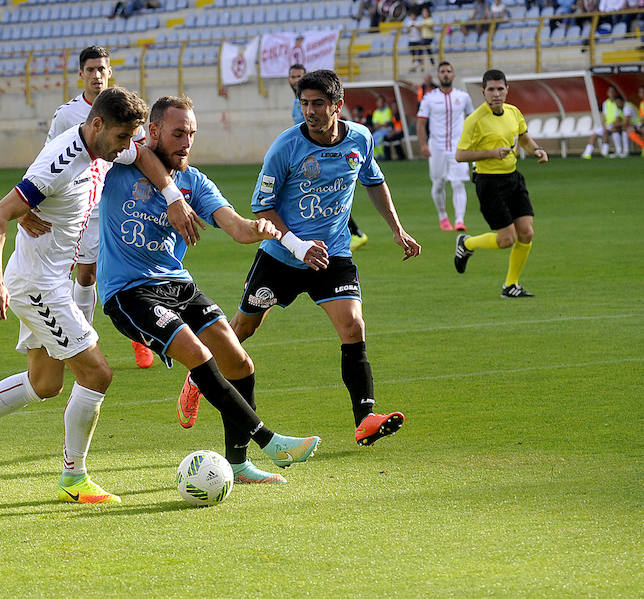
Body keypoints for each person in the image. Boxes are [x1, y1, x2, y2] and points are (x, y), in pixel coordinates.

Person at [0, 87, 201, 503]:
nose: (130, 147)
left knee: (45, 382)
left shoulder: (108, 144)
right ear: (96, 125)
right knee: (97, 374)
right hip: (37, 286)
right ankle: (74, 478)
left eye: (131, 137)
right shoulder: (62, 163)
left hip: (46, 278)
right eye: (123, 138)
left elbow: (143, 156)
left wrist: (172, 196)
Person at [177, 70, 421, 448]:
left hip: (332, 254)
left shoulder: (360, 138)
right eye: (305, 103)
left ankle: (365, 419)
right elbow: (262, 206)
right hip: (280, 257)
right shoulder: (286, 147)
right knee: (241, 330)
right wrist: (297, 245)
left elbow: (374, 181)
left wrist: (396, 228)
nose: (309, 110)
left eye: (318, 104)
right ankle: (197, 377)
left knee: (353, 326)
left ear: (337, 106)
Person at [98, 95, 321, 483]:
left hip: (178, 286)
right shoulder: (119, 164)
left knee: (239, 363)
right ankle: (270, 441)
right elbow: (82, 159)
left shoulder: (194, 181)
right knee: (199, 355)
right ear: (152, 132)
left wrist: (258, 229)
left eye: (192, 134)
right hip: (129, 291)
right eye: (178, 133)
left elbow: (234, 225)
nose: (187, 142)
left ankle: (238, 463)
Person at [34, 46, 176, 369]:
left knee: (127, 272)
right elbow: (47, 158)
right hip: (85, 205)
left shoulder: (125, 108)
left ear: (109, 72)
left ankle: (140, 339)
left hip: (121, 202)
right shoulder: (66, 115)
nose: (97, 75)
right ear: (80, 74)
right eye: (91, 70)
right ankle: (82, 341)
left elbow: (140, 153)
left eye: (102, 69)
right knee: (86, 274)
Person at [454, 69, 549, 298]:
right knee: (507, 239)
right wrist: (491, 153)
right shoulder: (475, 120)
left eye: (500, 89)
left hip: (513, 178)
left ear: (507, 89)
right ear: (483, 92)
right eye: (491, 90)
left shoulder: (514, 112)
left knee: (526, 233)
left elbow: (523, 137)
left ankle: (511, 285)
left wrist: (536, 149)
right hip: (489, 183)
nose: (496, 94)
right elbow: (460, 155)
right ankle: (467, 244)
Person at [290, 64, 369, 250]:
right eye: (292, 76)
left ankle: (353, 233)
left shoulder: (319, 99)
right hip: (304, 153)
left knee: (329, 195)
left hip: (319, 154)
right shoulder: (297, 104)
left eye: (299, 76)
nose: (295, 80)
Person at [416, 62, 474, 231]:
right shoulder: (429, 98)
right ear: (438, 76)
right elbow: (421, 124)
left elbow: (472, 120)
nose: (446, 74)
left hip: (458, 147)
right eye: (443, 72)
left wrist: (471, 141)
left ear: (453, 75)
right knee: (439, 183)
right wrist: (423, 145)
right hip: (437, 147)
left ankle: (459, 220)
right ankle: (443, 217)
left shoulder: (463, 97)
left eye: (449, 71)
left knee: (458, 183)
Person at [582, 85, 632, 158]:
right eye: (609, 92)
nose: (611, 93)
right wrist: (604, 125)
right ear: (607, 93)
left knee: (607, 132)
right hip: (607, 125)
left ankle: (605, 152)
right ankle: (587, 154)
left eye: (612, 92)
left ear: (615, 93)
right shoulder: (605, 103)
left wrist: (611, 125)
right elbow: (604, 117)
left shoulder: (617, 102)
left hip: (614, 124)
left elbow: (618, 117)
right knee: (594, 135)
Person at [370, 95, 394, 159]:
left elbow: (387, 124)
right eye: (378, 101)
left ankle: (382, 155)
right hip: (378, 130)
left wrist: (379, 125)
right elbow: (375, 125)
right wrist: (381, 124)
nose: (379, 103)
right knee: (372, 139)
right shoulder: (376, 112)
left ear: (383, 102)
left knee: (379, 139)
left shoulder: (387, 110)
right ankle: (376, 155)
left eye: (380, 101)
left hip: (386, 130)